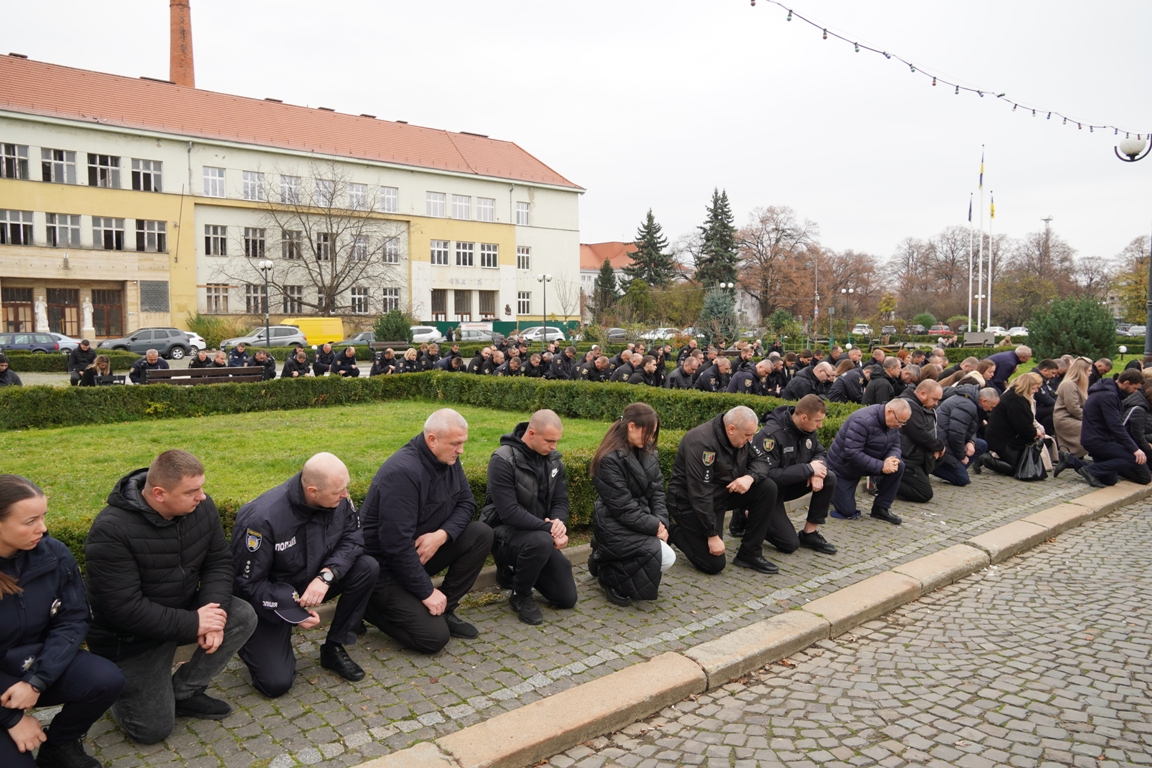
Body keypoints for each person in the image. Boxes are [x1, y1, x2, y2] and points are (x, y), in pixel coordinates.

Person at [84, 450, 258, 744]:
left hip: (182, 610)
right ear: (159, 494)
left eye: (202, 487)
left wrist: (211, 615)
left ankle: (185, 692)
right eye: (192, 491)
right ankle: (116, 692)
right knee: (152, 731)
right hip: (130, 638)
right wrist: (194, 623)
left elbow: (218, 562)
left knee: (241, 616)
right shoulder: (111, 531)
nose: (202, 497)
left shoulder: (201, 508)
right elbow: (124, 609)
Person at [0, 475, 125, 768]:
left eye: (43, 517)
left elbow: (73, 618)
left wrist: (37, 680)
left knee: (105, 679)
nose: (42, 528)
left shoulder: (53, 553)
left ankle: (59, 745)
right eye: (30, 521)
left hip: (33, 666)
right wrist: (12, 718)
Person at [231, 454, 379, 697]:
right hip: (272, 600)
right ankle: (249, 642)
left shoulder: (338, 499)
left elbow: (353, 538)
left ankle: (334, 647)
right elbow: (248, 585)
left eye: (345, 488)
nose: (345, 495)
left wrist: (326, 576)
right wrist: (293, 611)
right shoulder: (262, 518)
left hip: (312, 581)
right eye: (338, 491)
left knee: (367, 567)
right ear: (313, 491)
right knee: (276, 684)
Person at [361, 410, 493, 654]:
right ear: (432, 439)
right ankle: (367, 606)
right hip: (385, 571)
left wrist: (441, 535)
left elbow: (467, 504)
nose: (461, 450)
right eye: (456, 443)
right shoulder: (402, 472)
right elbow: (395, 547)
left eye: (462, 442)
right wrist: (426, 591)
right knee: (433, 639)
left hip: (418, 555)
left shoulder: (448, 458)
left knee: (480, 533)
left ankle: (445, 608)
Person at [480, 411, 576, 625]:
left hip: (538, 535)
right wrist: (549, 530)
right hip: (502, 533)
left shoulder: (554, 462)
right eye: (550, 441)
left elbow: (561, 501)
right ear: (531, 433)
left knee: (566, 598)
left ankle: (515, 572)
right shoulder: (503, 459)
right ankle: (520, 595)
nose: (554, 447)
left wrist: (559, 523)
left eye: (557, 441)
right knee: (540, 541)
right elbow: (509, 512)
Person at [666, 406, 779, 575]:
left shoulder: (743, 437)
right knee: (713, 564)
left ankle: (750, 553)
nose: (750, 440)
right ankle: (672, 530)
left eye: (752, 435)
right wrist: (712, 535)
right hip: (688, 503)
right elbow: (700, 493)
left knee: (767, 488)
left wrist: (750, 477)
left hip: (721, 496)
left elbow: (762, 460)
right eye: (747, 436)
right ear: (731, 429)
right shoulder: (701, 442)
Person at [587, 404, 674, 606]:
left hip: (639, 518)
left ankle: (603, 556)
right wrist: (654, 527)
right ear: (632, 426)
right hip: (613, 521)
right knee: (665, 557)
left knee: (663, 550)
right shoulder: (608, 459)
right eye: (649, 432)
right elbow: (622, 507)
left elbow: (657, 492)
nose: (652, 438)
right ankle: (609, 576)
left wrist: (661, 522)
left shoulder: (649, 452)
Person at [752, 396, 839, 556]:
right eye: (817, 421)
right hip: (769, 493)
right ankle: (748, 517)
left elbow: (819, 452)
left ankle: (809, 534)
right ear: (804, 417)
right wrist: (808, 469)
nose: (820, 426)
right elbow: (768, 475)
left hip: (790, 484)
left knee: (828, 477)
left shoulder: (807, 429)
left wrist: (816, 470)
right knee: (789, 544)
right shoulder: (771, 435)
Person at [826, 399, 910, 525]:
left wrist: (890, 459)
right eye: (899, 421)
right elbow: (852, 453)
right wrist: (882, 465)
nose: (899, 426)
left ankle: (881, 508)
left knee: (898, 465)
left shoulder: (893, 422)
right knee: (847, 512)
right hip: (844, 469)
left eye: (903, 423)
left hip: (867, 463)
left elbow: (896, 445)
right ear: (890, 411)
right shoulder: (862, 421)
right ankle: (832, 491)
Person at [1077, 368, 1150, 488]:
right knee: (1132, 458)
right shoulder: (1108, 395)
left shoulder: (1110, 392)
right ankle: (1091, 471)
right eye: (1135, 388)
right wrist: (1135, 449)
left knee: (1110, 480)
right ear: (1126, 383)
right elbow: (1115, 426)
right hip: (1097, 440)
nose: (1135, 392)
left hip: (1099, 438)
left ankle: (1071, 461)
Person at [933, 385, 998, 486]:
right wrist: (962, 456)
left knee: (982, 445)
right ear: (984, 401)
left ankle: (956, 468)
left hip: (950, 440)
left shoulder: (973, 405)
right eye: (992, 406)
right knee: (962, 480)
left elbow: (970, 428)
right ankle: (934, 467)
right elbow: (956, 435)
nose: (991, 410)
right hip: (943, 442)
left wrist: (971, 442)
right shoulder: (967, 406)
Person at [983, 373, 1045, 476]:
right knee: (1020, 468)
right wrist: (1035, 432)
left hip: (1006, 438)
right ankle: (986, 460)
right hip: (1004, 440)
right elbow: (1022, 425)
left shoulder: (1015, 397)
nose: (1036, 391)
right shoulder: (1016, 401)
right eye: (1033, 388)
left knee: (1023, 465)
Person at [894, 381, 946, 503]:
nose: (936, 403)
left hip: (914, 453)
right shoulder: (909, 406)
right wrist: (938, 446)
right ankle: (883, 481)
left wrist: (938, 448)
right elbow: (918, 434)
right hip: (907, 456)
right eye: (934, 399)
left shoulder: (918, 405)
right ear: (922, 394)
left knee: (944, 456)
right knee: (924, 494)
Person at [1054, 357, 1091, 460]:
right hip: (1065, 419)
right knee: (1091, 428)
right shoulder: (1069, 385)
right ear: (1082, 371)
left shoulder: (1078, 385)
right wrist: (1089, 420)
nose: (1090, 373)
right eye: (1089, 370)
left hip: (1073, 417)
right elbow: (1073, 408)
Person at [1033, 359, 1062, 435]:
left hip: (1037, 407)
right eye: (1053, 373)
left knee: (1052, 413)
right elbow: (1045, 398)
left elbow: (1051, 393)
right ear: (1045, 370)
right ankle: (1047, 433)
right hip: (1032, 408)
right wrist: (1058, 403)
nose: (1053, 376)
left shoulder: (1041, 377)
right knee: (1057, 408)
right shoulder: (1036, 378)